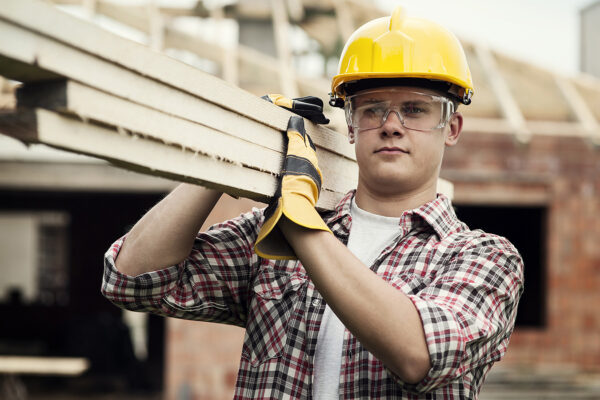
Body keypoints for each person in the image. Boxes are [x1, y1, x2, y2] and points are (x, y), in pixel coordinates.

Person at [102, 7, 523, 399]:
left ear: (452, 127)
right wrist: (229, 160)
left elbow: (419, 354)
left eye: (415, 109)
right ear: (352, 126)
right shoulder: (271, 231)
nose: (391, 125)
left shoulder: (484, 258)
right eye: (372, 109)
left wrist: (299, 225)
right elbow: (131, 279)